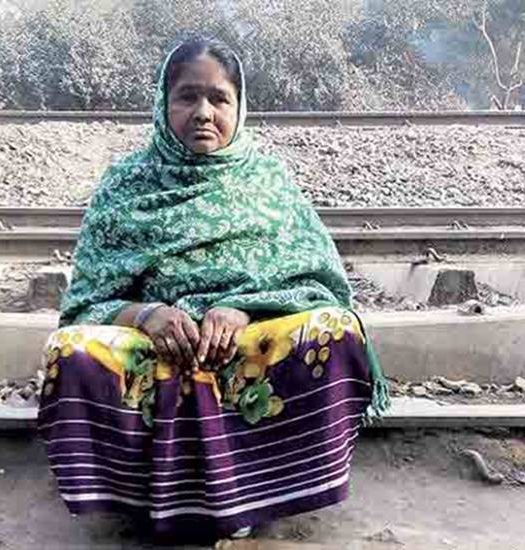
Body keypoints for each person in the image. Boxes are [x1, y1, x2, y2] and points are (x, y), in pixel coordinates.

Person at [38, 37, 389, 542]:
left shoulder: (268, 180)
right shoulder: (124, 185)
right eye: (187, 96)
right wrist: (147, 316)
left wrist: (244, 310)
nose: (203, 112)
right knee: (72, 351)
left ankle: (262, 492)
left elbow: (319, 284)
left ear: (239, 107)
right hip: (156, 343)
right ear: (163, 104)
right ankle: (143, 502)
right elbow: (86, 303)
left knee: (335, 331)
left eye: (219, 98)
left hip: (252, 338)